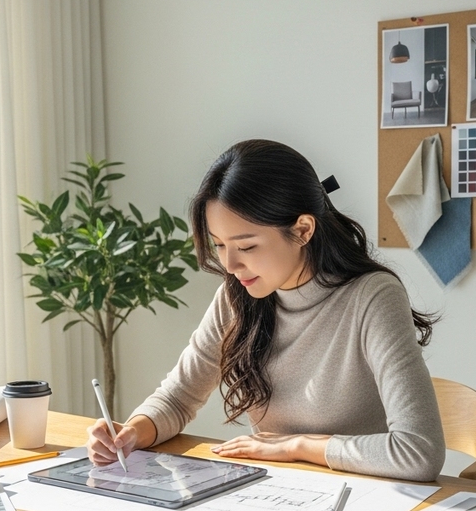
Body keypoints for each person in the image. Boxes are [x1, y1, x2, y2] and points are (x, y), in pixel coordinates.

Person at [85, 139, 445, 481]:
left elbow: (418, 451)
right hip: (273, 494)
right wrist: (131, 432)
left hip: (361, 497)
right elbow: (179, 398)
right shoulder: (237, 296)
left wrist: (298, 445)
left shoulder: (372, 297)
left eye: (247, 246)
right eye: (220, 245)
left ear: (303, 229)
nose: (229, 265)